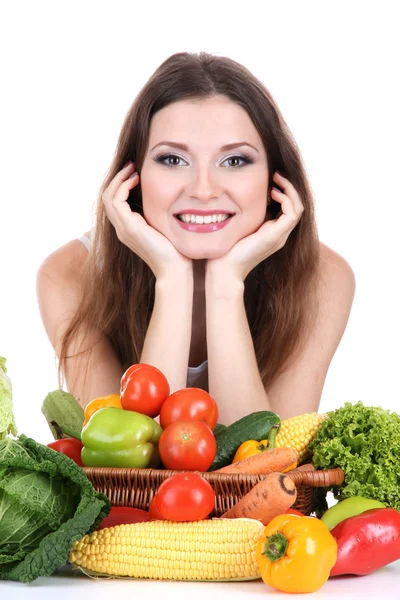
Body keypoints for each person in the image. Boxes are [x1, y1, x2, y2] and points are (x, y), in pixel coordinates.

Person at [36, 51, 355, 425]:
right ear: (132, 177)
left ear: (275, 178)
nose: (204, 191)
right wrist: (171, 280)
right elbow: (118, 474)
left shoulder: (324, 278)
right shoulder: (69, 275)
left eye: (234, 161)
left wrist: (225, 286)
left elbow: (266, 467)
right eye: (173, 160)